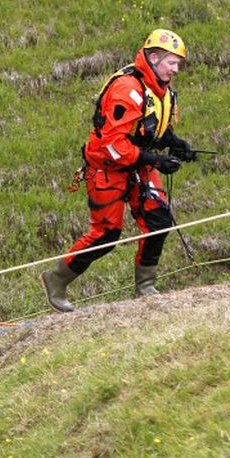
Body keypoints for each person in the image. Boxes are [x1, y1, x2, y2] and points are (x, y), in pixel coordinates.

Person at [41, 29, 197, 312]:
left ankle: (145, 288)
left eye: (178, 63)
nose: (176, 69)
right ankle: (56, 279)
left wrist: (175, 143)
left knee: (159, 220)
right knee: (106, 234)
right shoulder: (128, 89)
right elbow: (114, 145)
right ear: (152, 57)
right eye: (172, 62)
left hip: (138, 161)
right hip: (108, 166)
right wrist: (156, 160)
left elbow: (152, 127)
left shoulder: (162, 88)